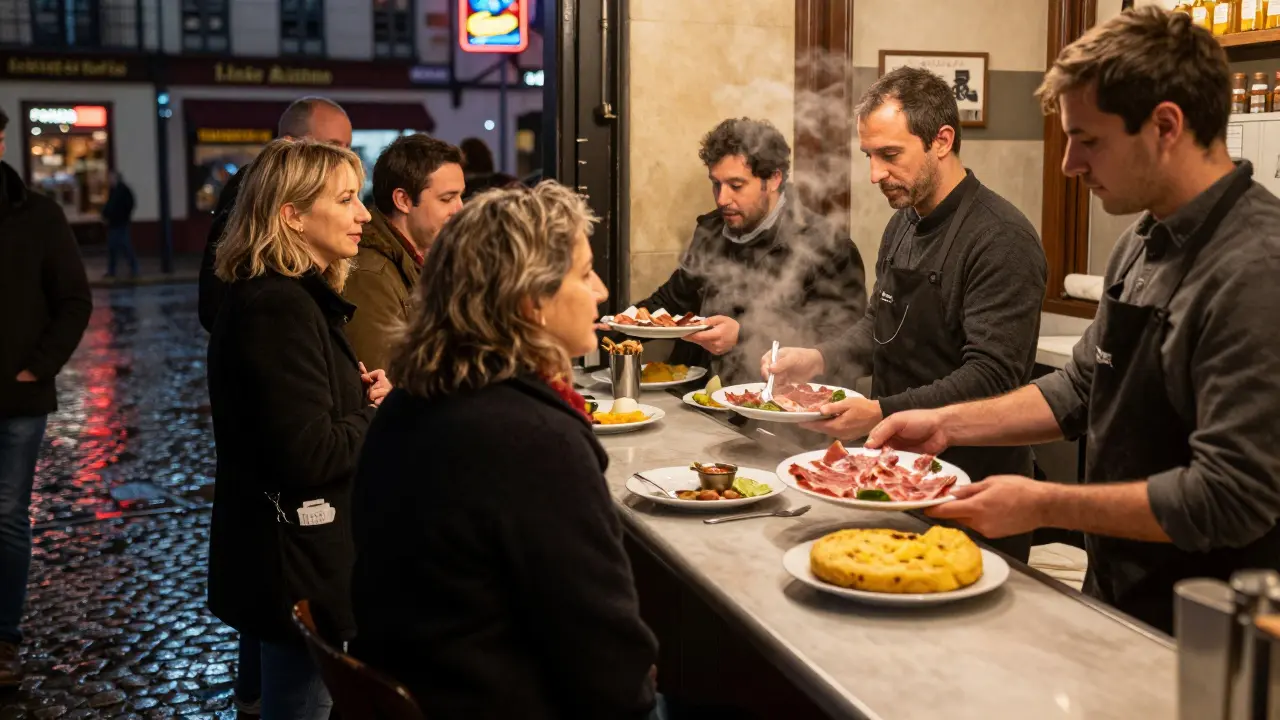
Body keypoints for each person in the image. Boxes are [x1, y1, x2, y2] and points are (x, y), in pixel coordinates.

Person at [865, 7, 1280, 634]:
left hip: (1215, 621)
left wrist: (1045, 503)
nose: (1069, 165)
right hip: (1120, 589)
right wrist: (942, 424)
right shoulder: (1142, 240)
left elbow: (1231, 495)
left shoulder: (1255, 267)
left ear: (1166, 126)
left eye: (1089, 140)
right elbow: (1081, 387)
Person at [350, 182, 659, 718]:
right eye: (585, 273)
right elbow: (610, 669)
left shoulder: (412, 398)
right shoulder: (534, 440)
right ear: (531, 301)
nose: (602, 291)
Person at [763, 69, 1047, 562]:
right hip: (895, 472)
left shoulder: (1001, 239)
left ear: (942, 140)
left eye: (890, 155)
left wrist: (882, 412)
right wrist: (817, 358)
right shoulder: (902, 225)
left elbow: (993, 376)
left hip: (974, 486)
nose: (875, 174)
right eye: (869, 156)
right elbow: (879, 325)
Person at [206, 138, 390, 719]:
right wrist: (380, 414)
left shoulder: (284, 297)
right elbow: (309, 452)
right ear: (292, 215)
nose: (364, 215)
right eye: (346, 199)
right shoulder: (278, 307)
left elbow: (296, 419)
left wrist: (355, 394)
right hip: (295, 561)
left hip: (291, 555)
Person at [634, 117, 867, 385]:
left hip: (775, 399)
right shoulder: (711, 231)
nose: (722, 199)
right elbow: (673, 300)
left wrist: (743, 336)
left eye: (736, 186)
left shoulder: (826, 245)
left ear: (774, 179)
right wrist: (611, 327)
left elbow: (844, 346)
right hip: (700, 395)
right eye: (716, 184)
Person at [0, 106, 92, 688]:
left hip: (16, 399)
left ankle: (3, 638)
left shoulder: (37, 214)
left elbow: (74, 299)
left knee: (6, 516)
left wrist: (37, 367)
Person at [198, 96, 353, 332]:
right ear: (289, 143)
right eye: (331, 146)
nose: (344, 157)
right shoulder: (252, 194)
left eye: (347, 147)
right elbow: (217, 299)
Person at [343, 134, 465, 371]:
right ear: (403, 200)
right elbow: (383, 376)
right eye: (447, 199)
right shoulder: (370, 275)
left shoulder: (430, 261)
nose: (460, 209)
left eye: (461, 196)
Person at [101, 170, 138, 279]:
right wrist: (105, 214)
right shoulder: (114, 191)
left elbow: (128, 205)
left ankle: (133, 268)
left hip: (120, 223)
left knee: (124, 247)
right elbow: (110, 205)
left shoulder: (123, 190)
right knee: (113, 248)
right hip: (114, 223)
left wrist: (121, 216)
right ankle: (112, 270)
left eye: (111, 178)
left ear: (116, 178)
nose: (109, 180)